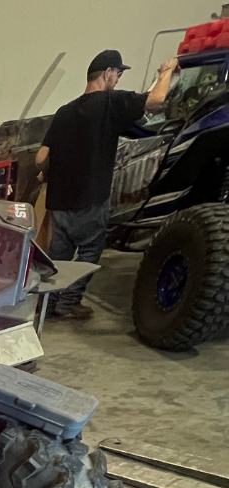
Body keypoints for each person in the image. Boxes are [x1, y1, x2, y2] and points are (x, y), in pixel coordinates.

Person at [36, 49, 179, 318]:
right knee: (89, 252)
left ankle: (49, 306)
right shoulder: (111, 103)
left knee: (60, 258)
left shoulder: (64, 111)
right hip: (91, 199)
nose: (119, 79)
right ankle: (69, 303)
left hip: (60, 203)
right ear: (108, 73)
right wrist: (166, 71)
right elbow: (157, 101)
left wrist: (48, 172)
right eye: (119, 73)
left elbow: (41, 157)